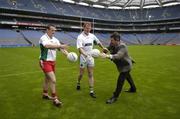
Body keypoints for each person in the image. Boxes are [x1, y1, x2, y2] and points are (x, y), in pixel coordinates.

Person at [101, 32, 136, 104]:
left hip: (126, 66)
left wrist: (108, 56)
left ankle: (115, 97)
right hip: (122, 65)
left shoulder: (123, 46)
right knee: (128, 77)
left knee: (120, 81)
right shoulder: (112, 44)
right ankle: (133, 89)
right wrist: (105, 49)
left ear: (117, 40)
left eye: (112, 40)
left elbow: (118, 56)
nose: (110, 42)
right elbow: (108, 48)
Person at [76, 22, 108, 98]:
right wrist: (85, 55)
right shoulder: (80, 37)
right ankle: (78, 82)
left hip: (91, 56)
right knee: (81, 74)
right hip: (83, 57)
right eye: (87, 28)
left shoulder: (92, 36)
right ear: (83, 28)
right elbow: (80, 49)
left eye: (89, 28)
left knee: (90, 74)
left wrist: (103, 48)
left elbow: (98, 42)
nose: (88, 29)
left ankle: (91, 91)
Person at [39, 24, 68, 107]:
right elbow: (47, 45)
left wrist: (68, 54)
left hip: (52, 62)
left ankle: (44, 94)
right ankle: (55, 99)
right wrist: (60, 45)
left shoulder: (55, 39)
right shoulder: (43, 38)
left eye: (55, 30)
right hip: (45, 61)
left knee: (47, 79)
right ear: (47, 30)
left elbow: (61, 49)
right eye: (52, 30)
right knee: (53, 80)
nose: (54, 32)